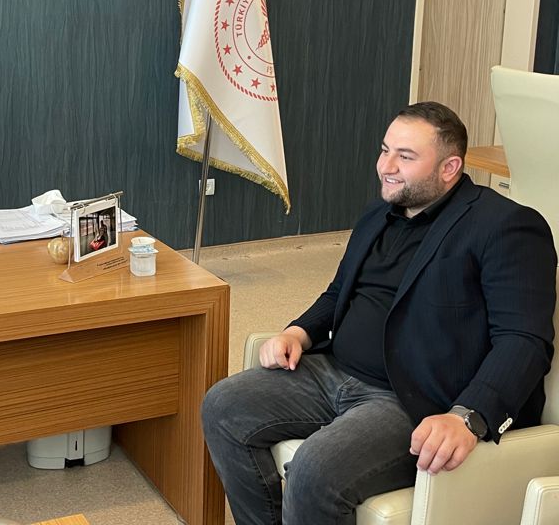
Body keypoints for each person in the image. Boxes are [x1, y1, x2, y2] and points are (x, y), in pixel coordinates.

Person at [201, 101, 556, 525]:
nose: (386, 166)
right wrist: (299, 331)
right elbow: (339, 292)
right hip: (332, 370)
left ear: (450, 167)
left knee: (315, 471)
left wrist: (468, 416)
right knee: (222, 406)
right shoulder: (378, 213)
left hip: (412, 398)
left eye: (405, 157)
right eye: (385, 150)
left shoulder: (505, 226)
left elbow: (524, 341)